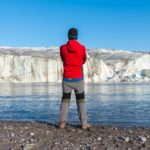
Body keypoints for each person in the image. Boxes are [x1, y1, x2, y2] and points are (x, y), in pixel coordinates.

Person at [59, 27, 90, 129]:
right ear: (76, 36)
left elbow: (63, 59)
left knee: (65, 101)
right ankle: (84, 124)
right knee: (81, 101)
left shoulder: (62, 48)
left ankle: (62, 123)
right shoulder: (82, 48)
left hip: (67, 79)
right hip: (78, 79)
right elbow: (83, 61)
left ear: (68, 36)